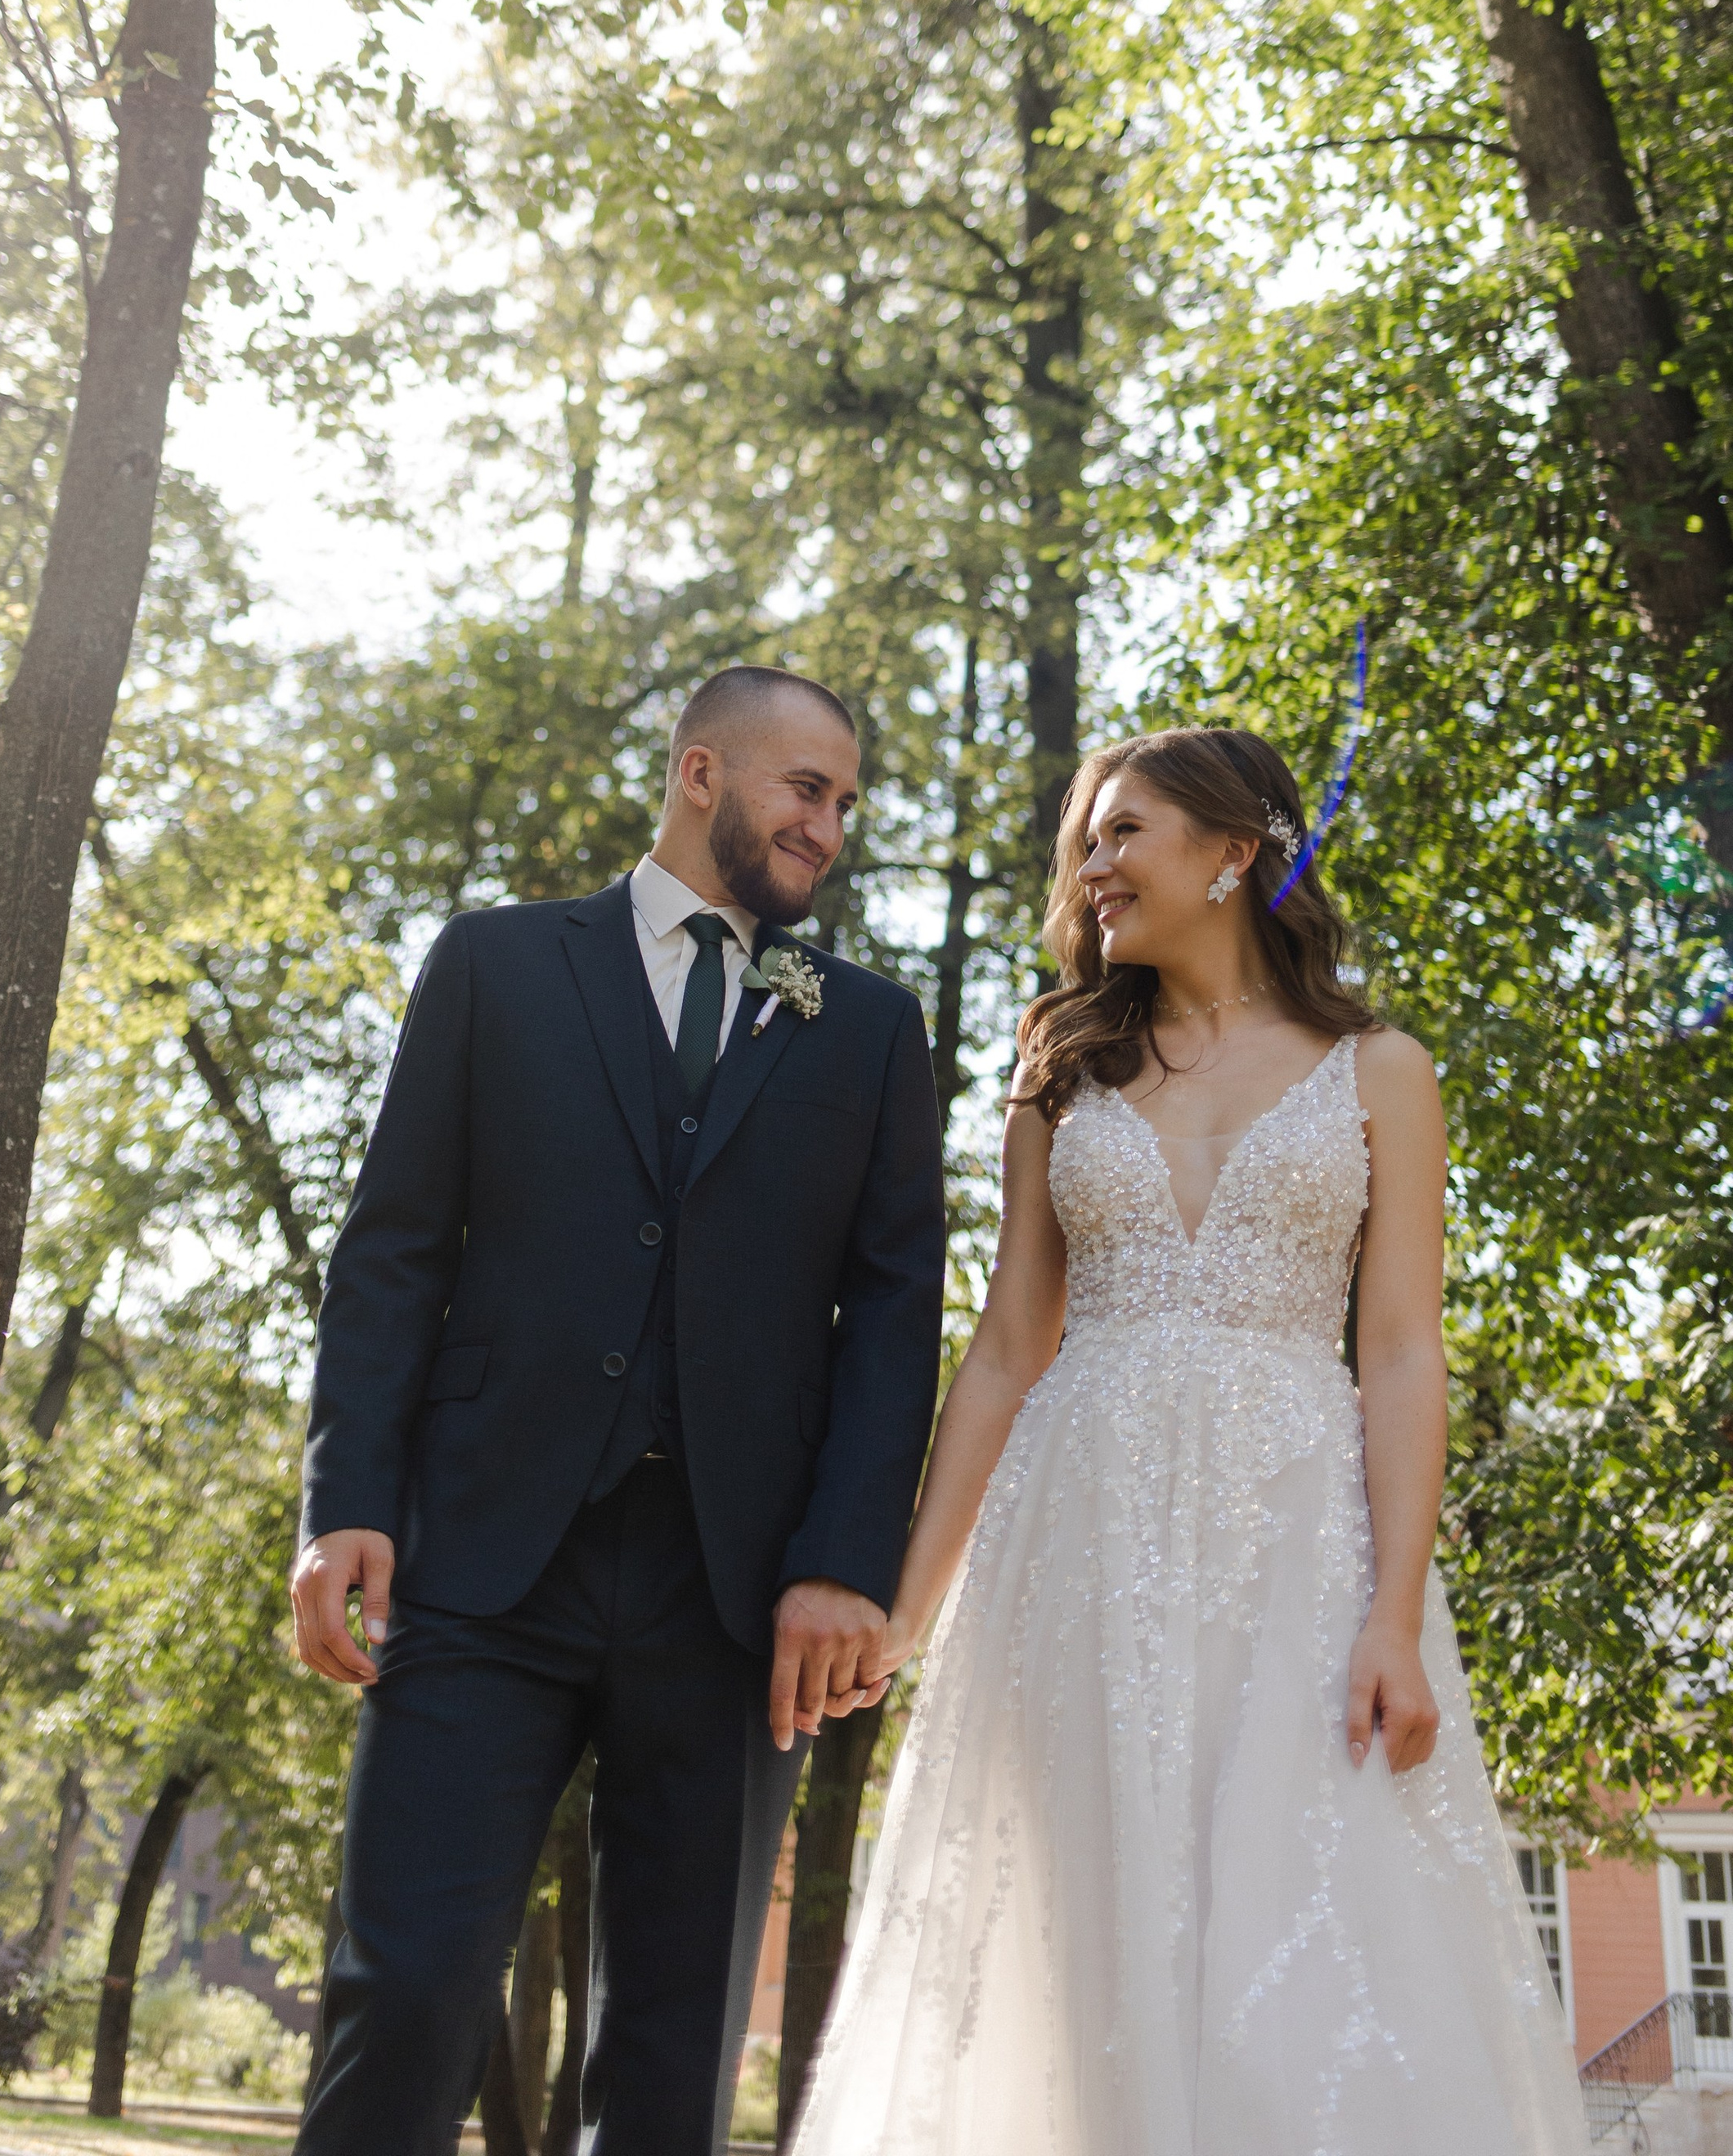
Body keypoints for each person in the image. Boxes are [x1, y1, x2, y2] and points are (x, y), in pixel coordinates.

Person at [791, 725, 1587, 2156]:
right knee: (1083, 1932)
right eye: (1086, 842)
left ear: (1232, 855)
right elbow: (1006, 1349)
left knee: (1303, 1931)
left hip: (1297, 1544)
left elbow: (1402, 1353)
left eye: (1124, 833)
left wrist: (1394, 1614)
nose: (1092, 867)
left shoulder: (1381, 1069)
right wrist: (911, 1605)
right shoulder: (1062, 1063)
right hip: (1078, 1541)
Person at [289, 664, 946, 2156]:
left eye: (847, 805)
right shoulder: (494, 965)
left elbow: (895, 1316)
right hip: (477, 1564)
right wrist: (346, 1509)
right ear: (703, 773)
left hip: (734, 1603)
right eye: (806, 789)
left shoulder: (868, 1028)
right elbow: (392, 1255)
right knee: (402, 1997)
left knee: (671, 2050)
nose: (830, 829)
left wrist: (843, 1561)